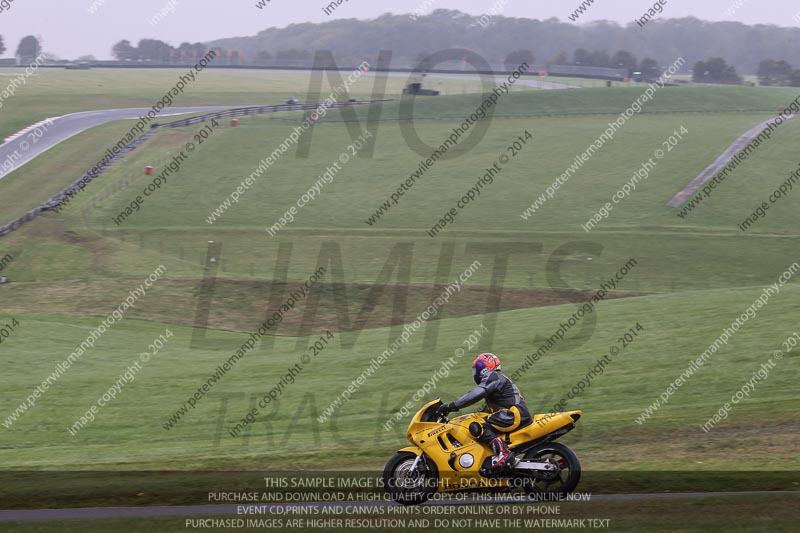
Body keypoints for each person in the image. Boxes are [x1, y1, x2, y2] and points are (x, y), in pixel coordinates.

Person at [437, 353, 532, 469]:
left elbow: (476, 394)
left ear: (484, 369)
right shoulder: (497, 378)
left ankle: (504, 453)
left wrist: (452, 406)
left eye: (476, 369)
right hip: (513, 413)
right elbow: (489, 409)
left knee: (478, 427)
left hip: (513, 414)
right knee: (477, 421)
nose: (475, 373)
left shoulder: (493, 376)